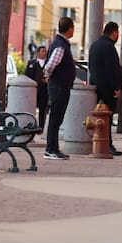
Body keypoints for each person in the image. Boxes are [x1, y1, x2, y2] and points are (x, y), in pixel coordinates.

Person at [87, 21, 122, 156]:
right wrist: (117, 86)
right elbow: (112, 69)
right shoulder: (109, 47)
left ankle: (99, 143)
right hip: (107, 88)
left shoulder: (94, 46)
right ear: (114, 33)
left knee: (97, 116)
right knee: (107, 118)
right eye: (117, 33)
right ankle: (107, 145)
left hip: (95, 85)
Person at [41, 17, 77, 161]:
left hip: (60, 86)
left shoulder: (60, 43)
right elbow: (50, 65)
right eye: (73, 27)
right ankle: (50, 149)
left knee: (57, 118)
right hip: (59, 86)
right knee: (56, 118)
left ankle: (53, 148)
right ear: (69, 28)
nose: (74, 30)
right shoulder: (61, 45)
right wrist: (47, 75)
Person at [25, 45, 49, 130]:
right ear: (38, 52)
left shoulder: (48, 63)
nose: (44, 53)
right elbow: (27, 75)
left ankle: (41, 127)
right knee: (31, 108)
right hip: (33, 90)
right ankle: (31, 125)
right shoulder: (31, 63)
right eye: (42, 51)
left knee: (43, 110)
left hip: (44, 91)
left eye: (45, 51)